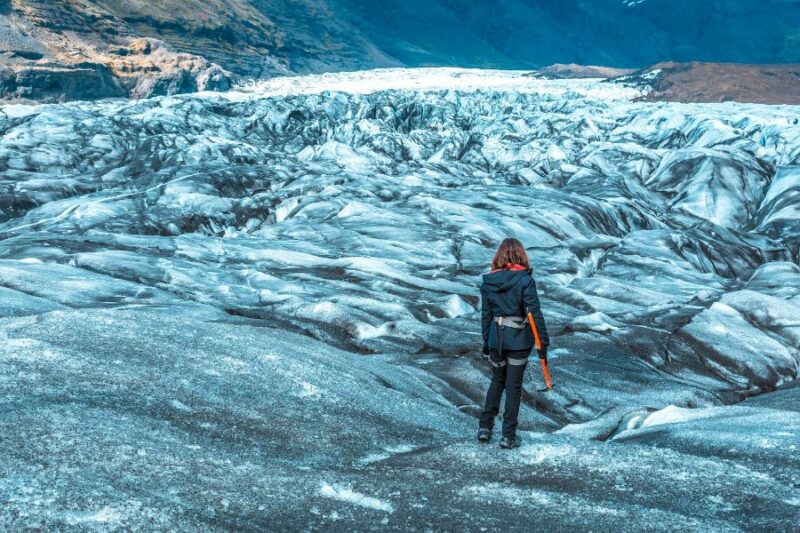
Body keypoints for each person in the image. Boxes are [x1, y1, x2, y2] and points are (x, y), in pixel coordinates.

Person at [477, 237, 550, 449]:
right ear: (521, 255)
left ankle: (485, 428)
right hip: (518, 340)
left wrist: (486, 342)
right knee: (513, 386)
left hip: (496, 339)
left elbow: (486, 316)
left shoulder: (488, 281)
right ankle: (508, 436)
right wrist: (543, 344)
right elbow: (534, 314)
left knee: (497, 381)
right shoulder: (525, 281)